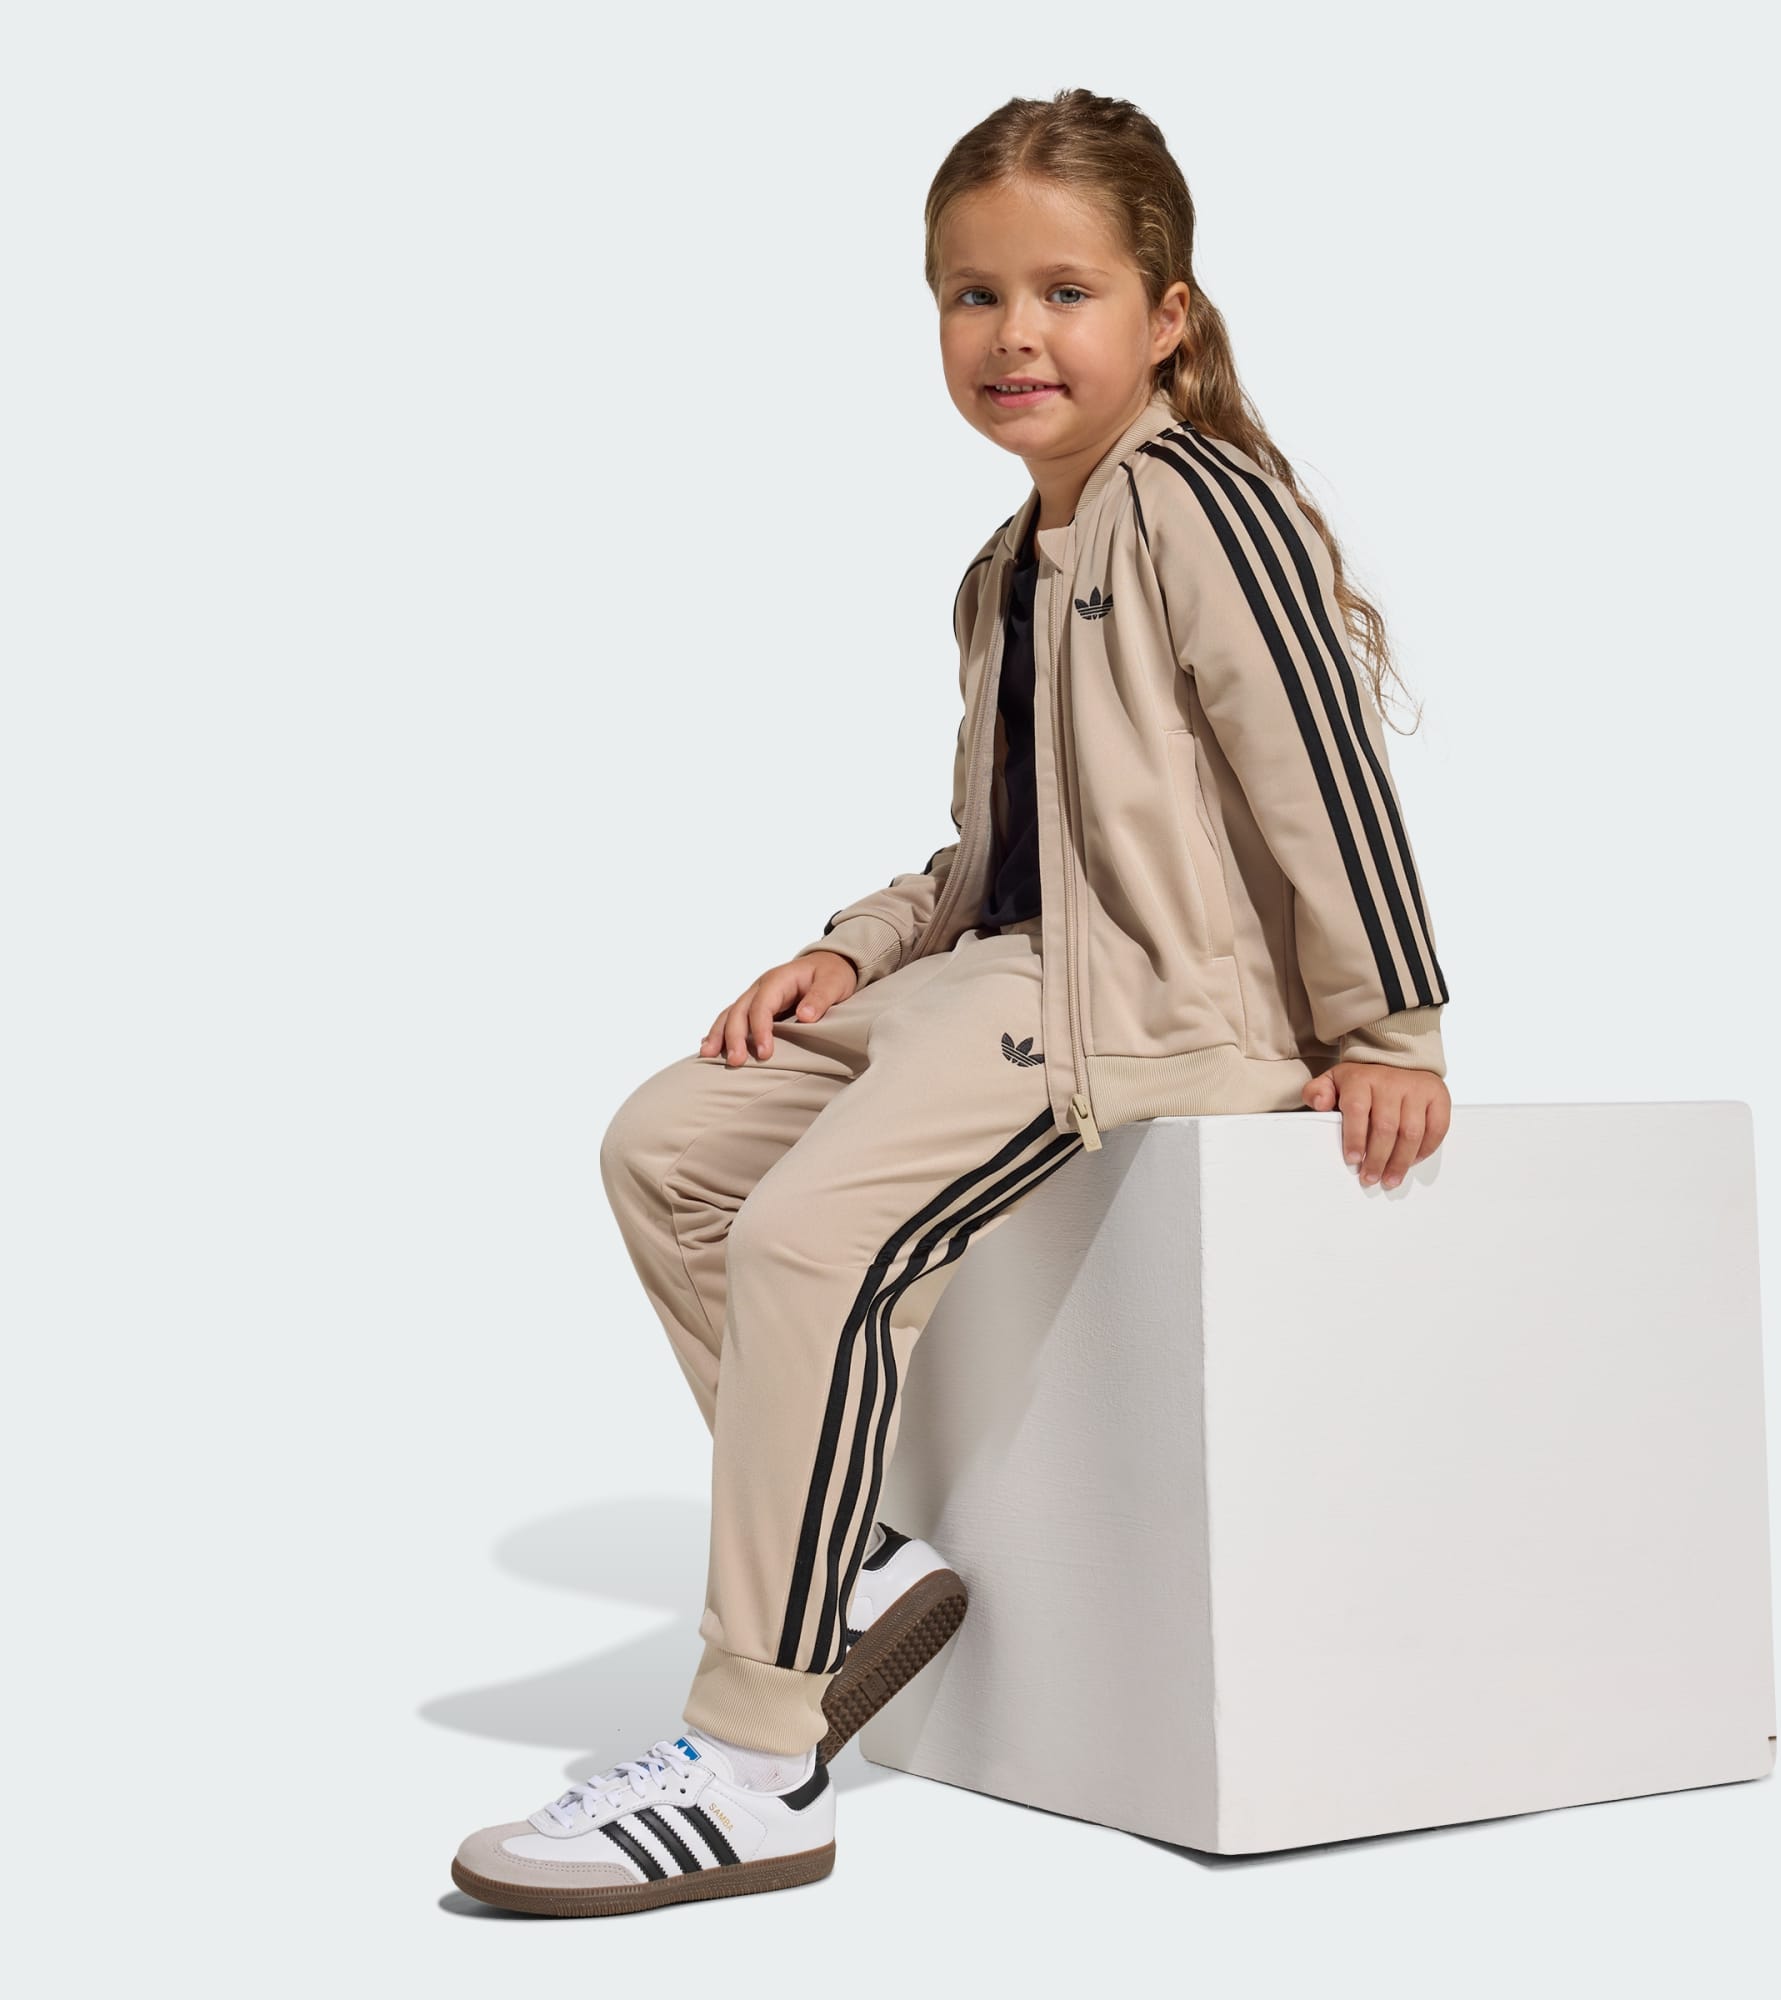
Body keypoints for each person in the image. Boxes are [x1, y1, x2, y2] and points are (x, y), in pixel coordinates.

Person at [451, 86, 1453, 1917]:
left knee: (807, 1240)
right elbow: (999, 854)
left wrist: (1388, 1029)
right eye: (972, 296)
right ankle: (850, 1556)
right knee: (667, 1148)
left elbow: (1322, 768)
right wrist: (854, 949)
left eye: (1065, 292)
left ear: (1165, 314)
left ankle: (757, 1759)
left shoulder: (1199, 507)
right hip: (1013, 973)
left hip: (1151, 1006)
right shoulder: (1010, 564)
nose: (1013, 335)